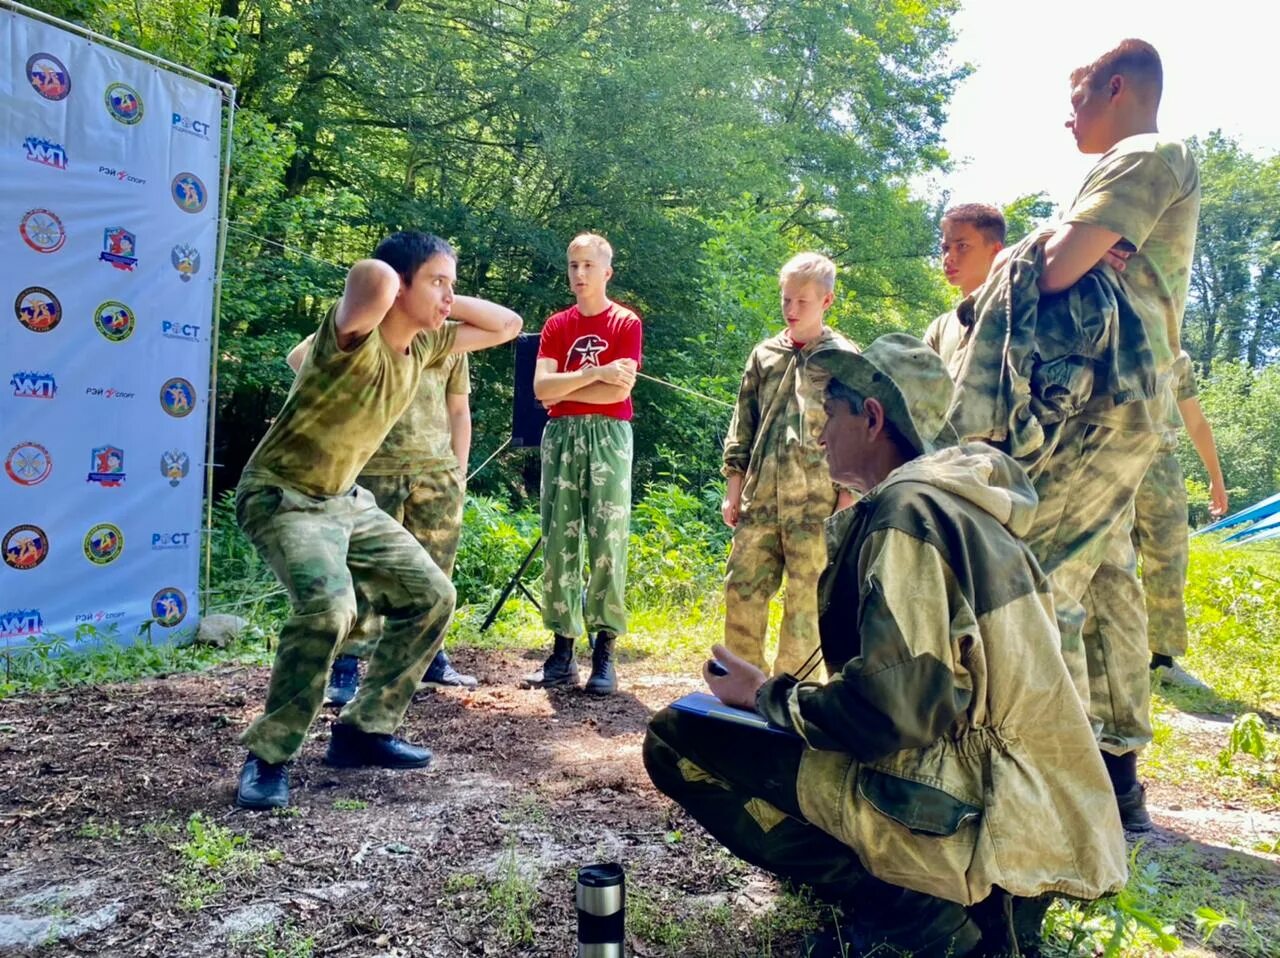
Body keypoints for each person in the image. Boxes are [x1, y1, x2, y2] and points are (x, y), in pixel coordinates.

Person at [644, 334, 1127, 958]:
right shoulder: (963, 507)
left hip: (975, 815)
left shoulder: (907, 513)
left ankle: (913, 910)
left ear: (871, 418)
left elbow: (895, 710)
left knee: (677, 735)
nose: (817, 436)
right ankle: (966, 903)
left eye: (829, 416)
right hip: (1028, 815)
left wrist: (765, 696)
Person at [233, 231, 522, 810]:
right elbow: (371, 276)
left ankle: (364, 730)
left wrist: (440, 296)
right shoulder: (349, 339)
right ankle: (268, 757)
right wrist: (407, 279)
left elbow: (507, 325)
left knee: (432, 594)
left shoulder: (426, 348)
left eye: (453, 286)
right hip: (283, 496)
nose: (449, 297)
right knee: (330, 610)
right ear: (402, 286)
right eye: (439, 282)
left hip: (344, 499)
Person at [285, 336, 482, 706]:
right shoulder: (373, 319)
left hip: (437, 474)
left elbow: (459, 409)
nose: (443, 293)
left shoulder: (451, 335)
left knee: (435, 572)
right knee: (365, 572)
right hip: (373, 468)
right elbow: (299, 358)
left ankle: (430, 660)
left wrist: (460, 470)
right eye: (435, 281)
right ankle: (346, 667)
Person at [720, 252, 856, 677]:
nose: (792, 310)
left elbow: (857, 440)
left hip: (816, 506)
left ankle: (793, 696)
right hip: (760, 500)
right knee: (742, 594)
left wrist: (846, 502)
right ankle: (743, 690)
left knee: (806, 606)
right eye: (786, 301)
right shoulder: (764, 356)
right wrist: (733, 491)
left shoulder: (845, 359)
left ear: (827, 301)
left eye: (803, 302)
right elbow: (742, 427)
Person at [524, 233, 642, 695]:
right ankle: (561, 653)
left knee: (607, 539)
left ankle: (605, 652)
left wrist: (565, 385)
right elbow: (540, 390)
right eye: (574, 265)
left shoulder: (625, 322)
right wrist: (593, 372)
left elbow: (619, 392)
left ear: (606, 271)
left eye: (589, 266)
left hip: (609, 435)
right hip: (561, 436)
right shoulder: (557, 325)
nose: (579, 274)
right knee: (559, 535)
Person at [1082, 351, 1228, 711]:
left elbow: (1195, 421)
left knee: (1168, 560)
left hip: (1159, 467)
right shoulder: (1107, 336)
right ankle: (1104, 656)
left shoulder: (1177, 357)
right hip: (1107, 463)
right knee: (1107, 565)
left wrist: (1216, 479)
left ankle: (1163, 660)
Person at [923, 204, 1006, 375]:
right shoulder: (941, 327)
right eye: (945, 248)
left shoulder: (1019, 314)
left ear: (996, 251)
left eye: (962, 246)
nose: (948, 257)